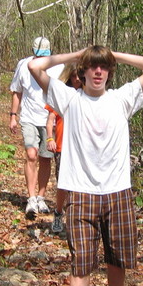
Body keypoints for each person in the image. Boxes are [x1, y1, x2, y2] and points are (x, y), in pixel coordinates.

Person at [28, 46, 143, 286]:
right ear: (83, 71)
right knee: (81, 264)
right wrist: (76, 53)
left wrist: (114, 53)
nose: (99, 72)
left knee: (116, 258)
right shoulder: (69, 100)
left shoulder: (122, 99)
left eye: (104, 67)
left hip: (117, 192)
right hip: (80, 194)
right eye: (93, 67)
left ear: (110, 71)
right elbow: (35, 65)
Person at [9, 37, 64, 218]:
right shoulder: (23, 65)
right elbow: (17, 91)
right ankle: (31, 198)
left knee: (45, 158)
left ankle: (41, 196)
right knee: (31, 155)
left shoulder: (58, 67)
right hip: (29, 118)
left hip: (49, 120)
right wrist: (13, 116)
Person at [44, 64, 82, 234]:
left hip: (81, 148)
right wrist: (50, 138)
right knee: (63, 184)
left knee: (80, 184)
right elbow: (50, 119)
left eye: (80, 76)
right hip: (62, 147)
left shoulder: (88, 96)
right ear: (69, 77)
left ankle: (77, 217)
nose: (77, 80)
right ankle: (59, 213)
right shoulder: (61, 96)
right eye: (74, 76)